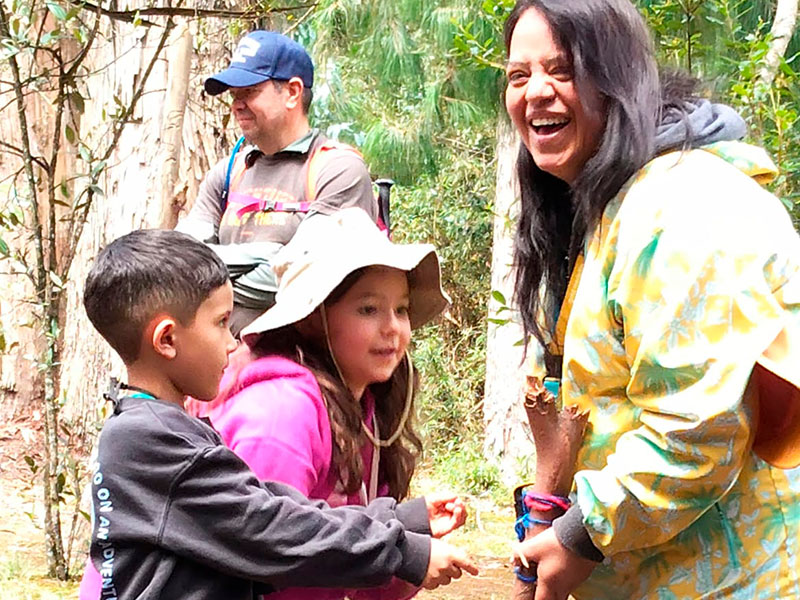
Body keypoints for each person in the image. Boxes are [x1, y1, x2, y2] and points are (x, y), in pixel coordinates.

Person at [503, 1, 800, 599]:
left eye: (562, 70)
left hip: (725, 579)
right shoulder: (608, 206)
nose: (535, 92)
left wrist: (584, 533)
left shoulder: (683, 204)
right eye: (518, 75)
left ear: (619, 80)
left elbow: (701, 422)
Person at [77, 228, 478, 600]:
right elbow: (269, 530)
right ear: (167, 339)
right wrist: (402, 550)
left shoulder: (167, 430)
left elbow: (275, 506)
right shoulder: (149, 441)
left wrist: (401, 518)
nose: (234, 343)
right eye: (221, 324)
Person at [187, 207, 466, 600]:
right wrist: (404, 551)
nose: (393, 328)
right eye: (369, 309)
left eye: (400, 309)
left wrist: (409, 539)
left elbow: (358, 575)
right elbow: (265, 552)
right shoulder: (282, 414)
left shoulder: (364, 407)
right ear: (313, 318)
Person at [176, 30, 378, 335]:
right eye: (234, 95)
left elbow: (300, 278)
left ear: (293, 92)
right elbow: (176, 259)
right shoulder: (228, 173)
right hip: (223, 370)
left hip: (303, 371)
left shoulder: (337, 170)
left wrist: (205, 288)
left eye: (250, 91)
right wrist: (270, 253)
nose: (237, 105)